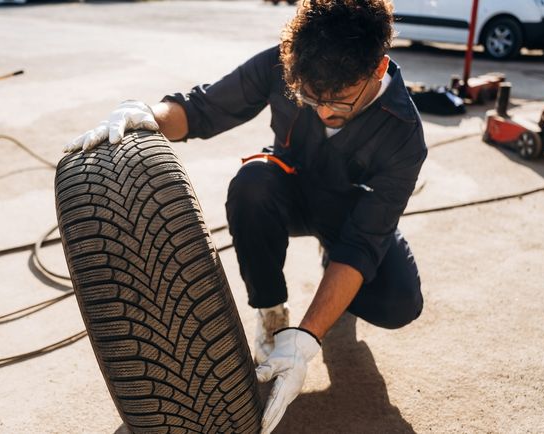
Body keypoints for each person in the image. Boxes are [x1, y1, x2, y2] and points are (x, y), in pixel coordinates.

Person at [64, 0, 427, 432]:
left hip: (351, 216)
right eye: (309, 99)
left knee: (400, 303)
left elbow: (365, 241)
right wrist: (145, 116)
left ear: (379, 67)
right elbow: (203, 109)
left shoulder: (404, 133)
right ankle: (272, 314)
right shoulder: (286, 62)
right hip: (284, 193)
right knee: (251, 184)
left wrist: (307, 339)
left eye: (340, 104)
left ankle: (321, 286)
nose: (324, 113)